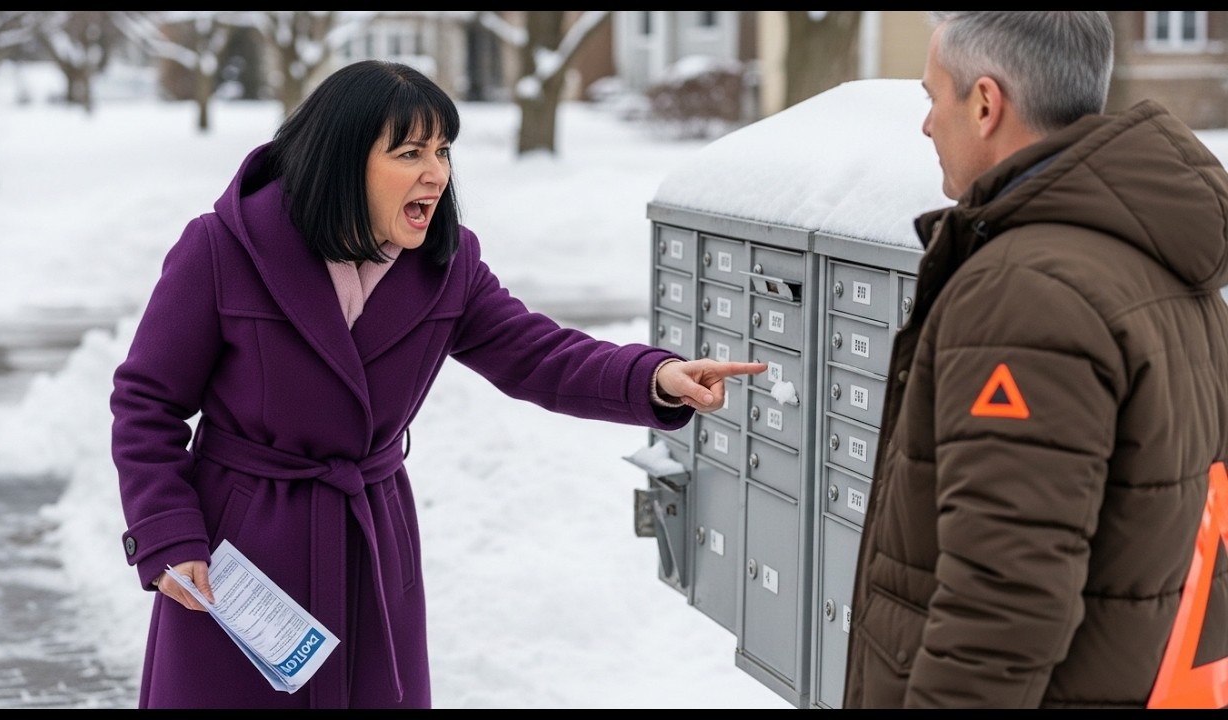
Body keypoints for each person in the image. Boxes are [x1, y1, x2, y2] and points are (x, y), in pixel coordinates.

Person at [109, 59, 766, 709]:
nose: (436, 173)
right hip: (240, 550)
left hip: (368, 538)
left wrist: (655, 377)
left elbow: (538, 354)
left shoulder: (448, 267)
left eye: (443, 150)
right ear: (343, 159)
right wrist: (167, 534)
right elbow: (147, 402)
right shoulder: (224, 249)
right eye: (409, 153)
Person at [844, 11, 1228, 709]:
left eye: (933, 97)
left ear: (985, 105)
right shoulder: (1164, 262)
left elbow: (1001, 605)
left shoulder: (1023, 293)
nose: (926, 125)